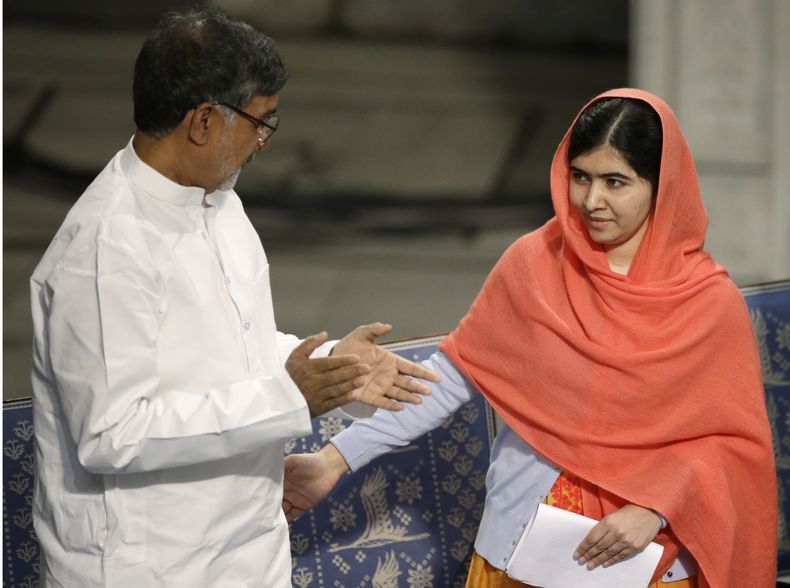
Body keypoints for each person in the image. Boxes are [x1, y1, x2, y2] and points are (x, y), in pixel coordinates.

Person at [282, 88, 778, 587]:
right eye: (580, 176)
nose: (591, 200)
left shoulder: (709, 304)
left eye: (616, 182)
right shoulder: (534, 265)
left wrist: (657, 508)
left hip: (649, 562)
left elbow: (729, 448)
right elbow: (449, 381)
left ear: (662, 187)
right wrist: (333, 461)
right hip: (522, 551)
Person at [29, 8, 439, 588]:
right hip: (149, 566)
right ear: (203, 122)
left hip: (249, 548)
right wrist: (288, 398)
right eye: (261, 122)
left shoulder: (218, 203)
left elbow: (227, 350)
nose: (265, 142)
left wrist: (330, 370)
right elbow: (112, 435)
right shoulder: (105, 250)